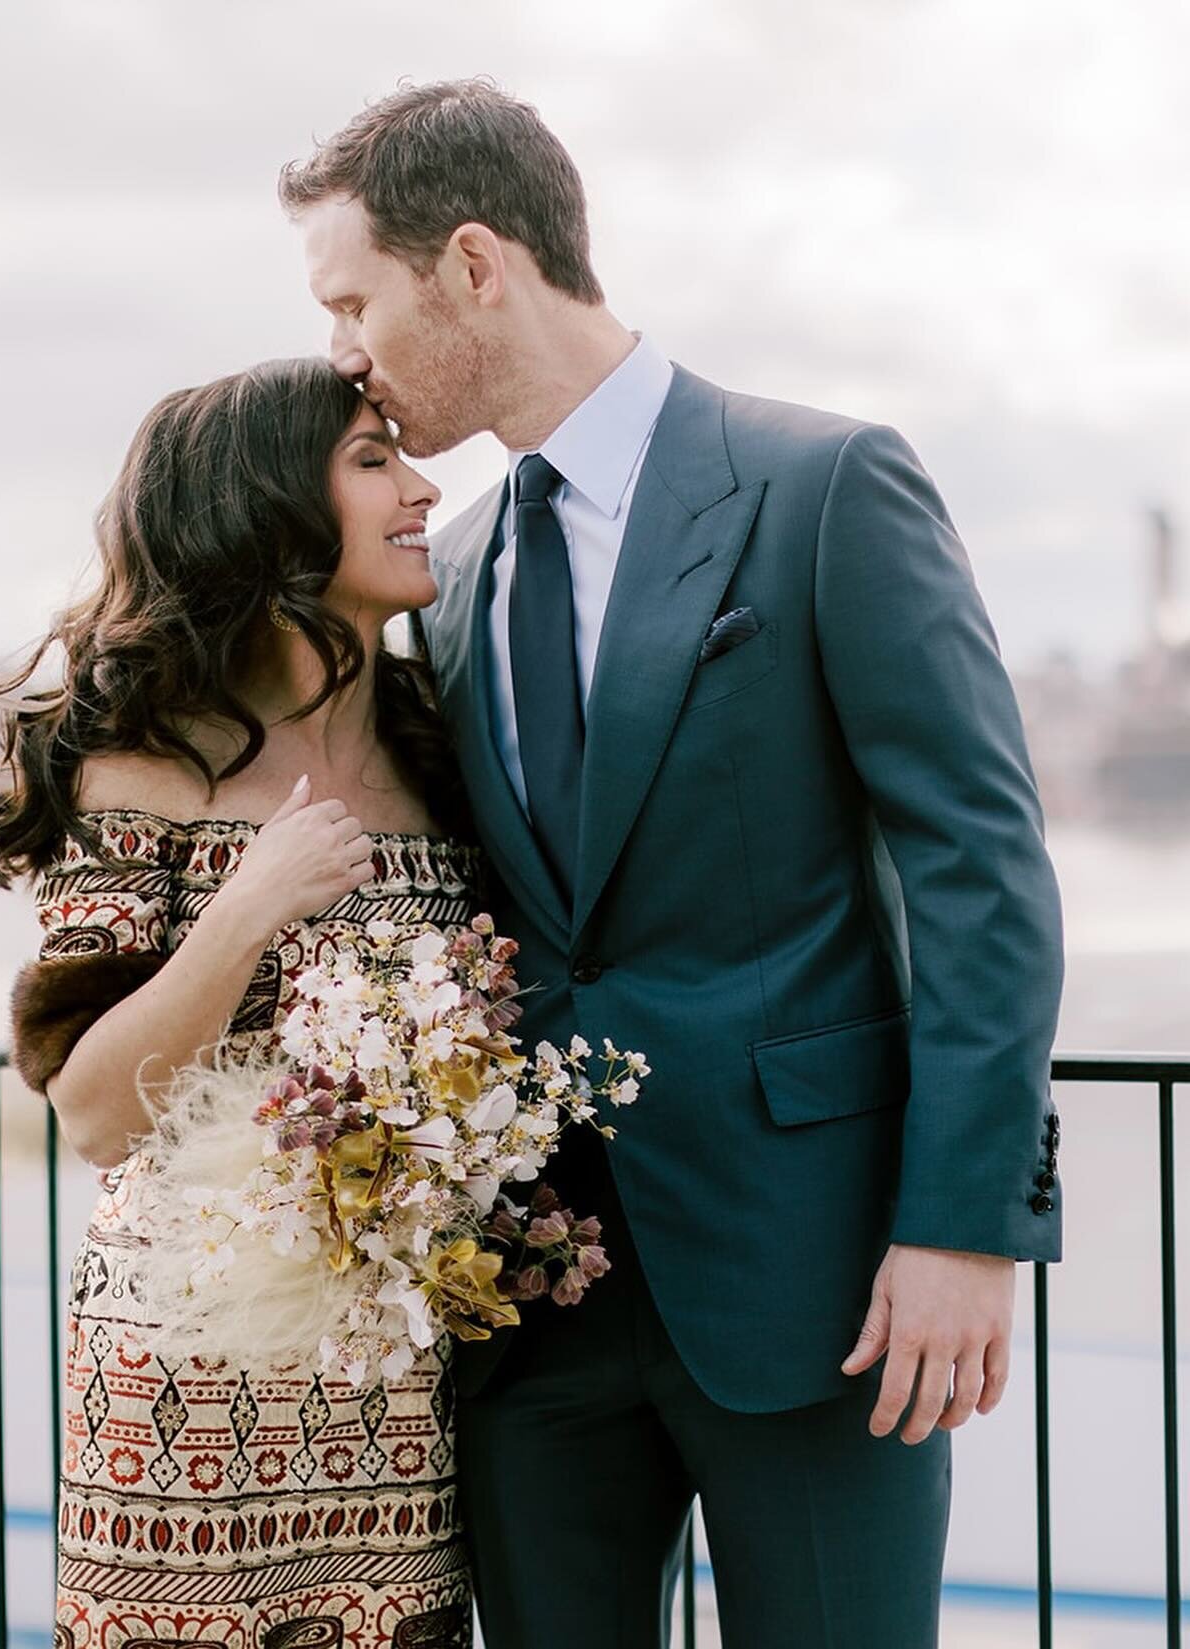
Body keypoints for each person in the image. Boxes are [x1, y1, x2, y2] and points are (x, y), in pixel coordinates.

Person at [281, 80, 1066, 1648]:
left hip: (821, 1290)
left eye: (354, 298)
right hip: (532, 1306)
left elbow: (981, 869)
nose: (341, 351)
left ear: (477, 262)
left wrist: (968, 1225)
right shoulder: (459, 570)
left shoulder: (825, 485)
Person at [0, 358, 477, 1648]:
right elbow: (94, 1116)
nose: (422, 489)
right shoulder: (139, 753)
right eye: (373, 461)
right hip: (185, 1370)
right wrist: (250, 908)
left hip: (399, 1369)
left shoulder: (442, 736)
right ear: (264, 509)